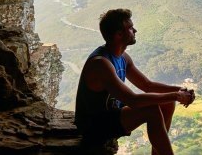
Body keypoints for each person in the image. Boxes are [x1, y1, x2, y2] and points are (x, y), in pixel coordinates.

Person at [75, 8, 194, 155]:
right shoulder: (101, 63)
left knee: (167, 102)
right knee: (152, 110)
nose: (135, 30)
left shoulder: (122, 57)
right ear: (119, 35)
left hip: (112, 114)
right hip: (94, 125)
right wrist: (176, 96)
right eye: (130, 28)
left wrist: (179, 91)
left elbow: (147, 85)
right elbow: (133, 101)